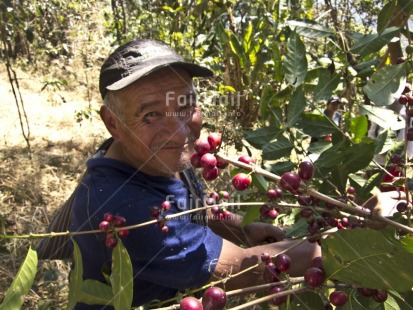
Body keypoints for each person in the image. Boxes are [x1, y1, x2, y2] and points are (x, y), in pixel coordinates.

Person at [40, 39, 404, 309]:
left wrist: (238, 227)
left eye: (185, 105)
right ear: (112, 124)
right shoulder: (124, 211)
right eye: (151, 115)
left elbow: (190, 207)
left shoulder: (149, 156)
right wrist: (358, 236)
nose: (181, 131)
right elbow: (250, 270)